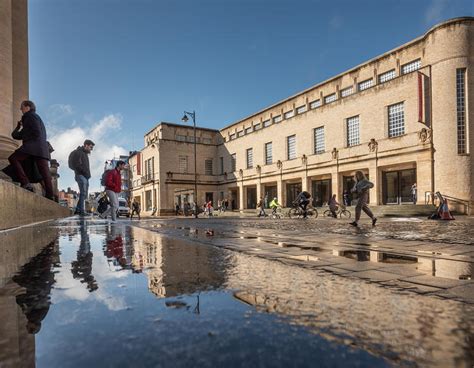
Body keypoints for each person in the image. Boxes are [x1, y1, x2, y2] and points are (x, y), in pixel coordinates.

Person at [8, 100, 54, 199]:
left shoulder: (29, 116)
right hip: (41, 149)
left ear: (28, 107)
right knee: (44, 173)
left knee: (13, 158)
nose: (20, 109)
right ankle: (51, 196)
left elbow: (36, 132)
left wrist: (29, 144)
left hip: (33, 147)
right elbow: (15, 135)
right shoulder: (35, 118)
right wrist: (18, 127)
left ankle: (26, 183)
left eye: (22, 107)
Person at [68, 139, 95, 215]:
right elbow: (77, 165)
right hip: (80, 175)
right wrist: (84, 172)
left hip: (85, 176)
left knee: (84, 194)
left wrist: (87, 175)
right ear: (86, 145)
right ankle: (81, 211)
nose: (91, 149)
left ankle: (78, 210)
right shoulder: (79, 152)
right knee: (83, 193)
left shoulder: (84, 154)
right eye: (90, 147)